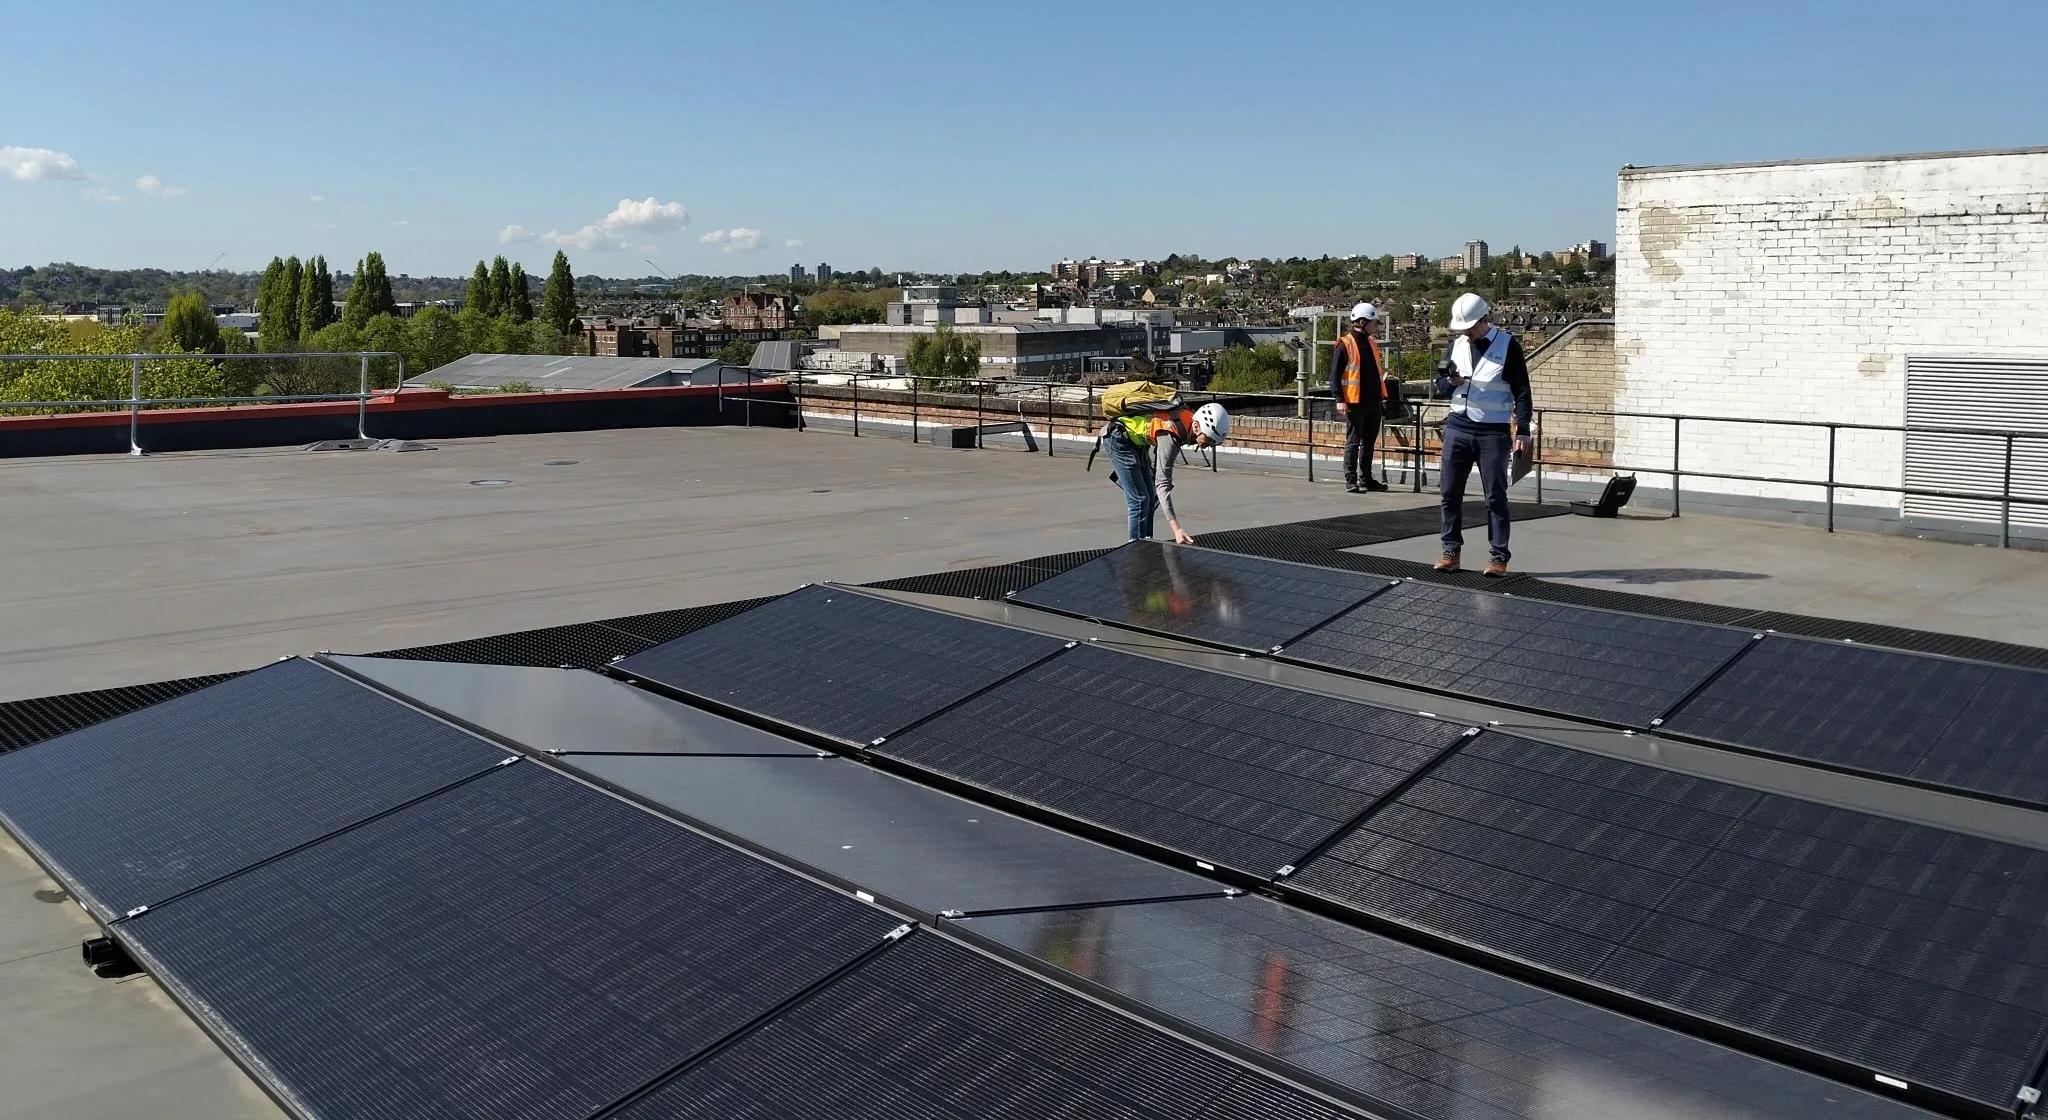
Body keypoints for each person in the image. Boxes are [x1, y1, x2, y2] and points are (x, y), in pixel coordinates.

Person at [1433, 293, 1531, 577]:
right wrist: (1449, 383)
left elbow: (1522, 392)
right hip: (1458, 429)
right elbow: (1440, 387)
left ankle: (1498, 556)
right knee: (1449, 493)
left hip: (1493, 432)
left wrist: (1522, 430)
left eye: (1470, 327)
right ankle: (1450, 551)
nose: (1466, 333)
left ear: (1484, 319)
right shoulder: (1455, 346)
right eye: (1463, 328)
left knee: (1495, 497)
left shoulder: (1508, 346)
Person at [1102, 364, 1232, 544]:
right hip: (1119, 441)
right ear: (1197, 426)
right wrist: (1176, 529)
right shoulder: (1171, 434)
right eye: (1208, 440)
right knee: (1139, 500)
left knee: (1150, 497)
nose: (1208, 445)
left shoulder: (1185, 418)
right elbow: (1162, 484)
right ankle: (1136, 551)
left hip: (1134, 442)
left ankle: (1147, 543)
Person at [1330, 301, 1389, 493]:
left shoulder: (1371, 342)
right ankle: (1351, 479)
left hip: (1373, 401)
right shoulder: (1345, 344)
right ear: (1363, 322)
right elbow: (1334, 375)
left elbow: (1376, 373)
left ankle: (1366, 478)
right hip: (1354, 402)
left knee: (1369, 442)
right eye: (1373, 322)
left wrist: (1382, 397)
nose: (1376, 326)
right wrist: (1339, 399)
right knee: (1353, 442)